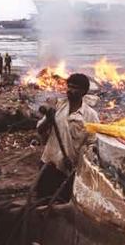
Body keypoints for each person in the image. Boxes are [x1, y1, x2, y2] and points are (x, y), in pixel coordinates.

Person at [36, 73, 99, 202]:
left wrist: (78, 160)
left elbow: (91, 144)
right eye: (69, 86)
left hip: (70, 170)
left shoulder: (90, 116)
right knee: (42, 202)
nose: (70, 90)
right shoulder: (58, 107)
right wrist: (48, 119)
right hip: (49, 163)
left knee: (62, 204)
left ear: (83, 91)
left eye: (75, 87)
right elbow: (40, 130)